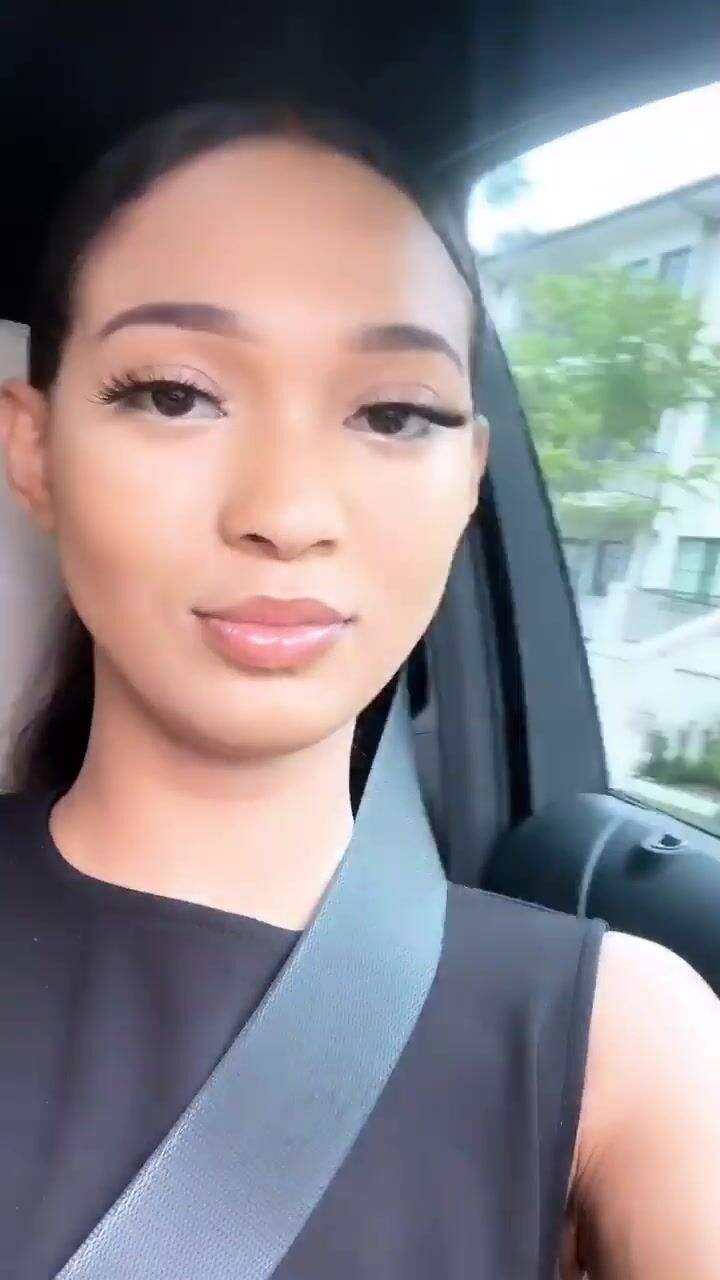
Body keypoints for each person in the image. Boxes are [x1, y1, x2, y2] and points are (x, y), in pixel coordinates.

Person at [0, 102, 718, 1280]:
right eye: (175, 394)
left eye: (394, 413)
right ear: (33, 450)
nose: (286, 513)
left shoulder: (628, 1042)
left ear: (468, 476)